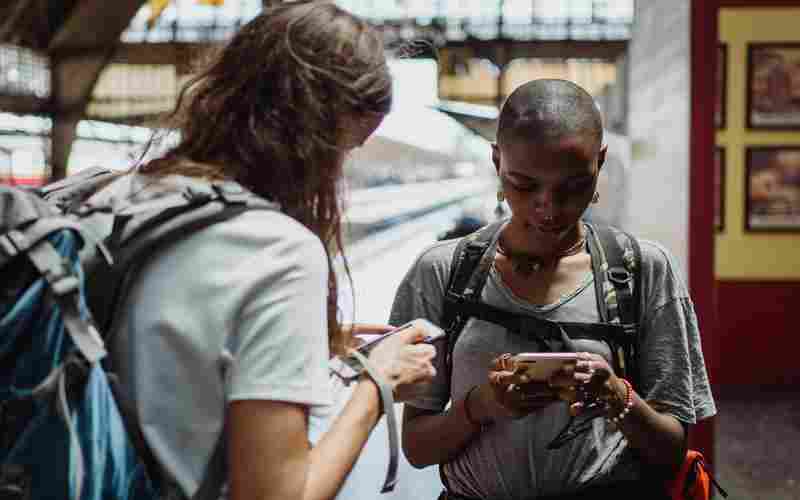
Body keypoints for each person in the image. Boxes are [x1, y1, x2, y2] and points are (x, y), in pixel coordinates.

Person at [93, 3, 437, 500]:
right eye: (341, 150)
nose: (337, 174)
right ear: (311, 138)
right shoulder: (278, 253)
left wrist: (303, 344)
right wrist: (377, 385)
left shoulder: (118, 196)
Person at [390, 79, 716, 499]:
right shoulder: (442, 273)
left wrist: (618, 397)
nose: (547, 207)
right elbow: (417, 448)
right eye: (524, 185)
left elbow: (673, 449)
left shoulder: (643, 271)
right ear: (496, 161)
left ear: (600, 164)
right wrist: (481, 406)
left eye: (573, 186)